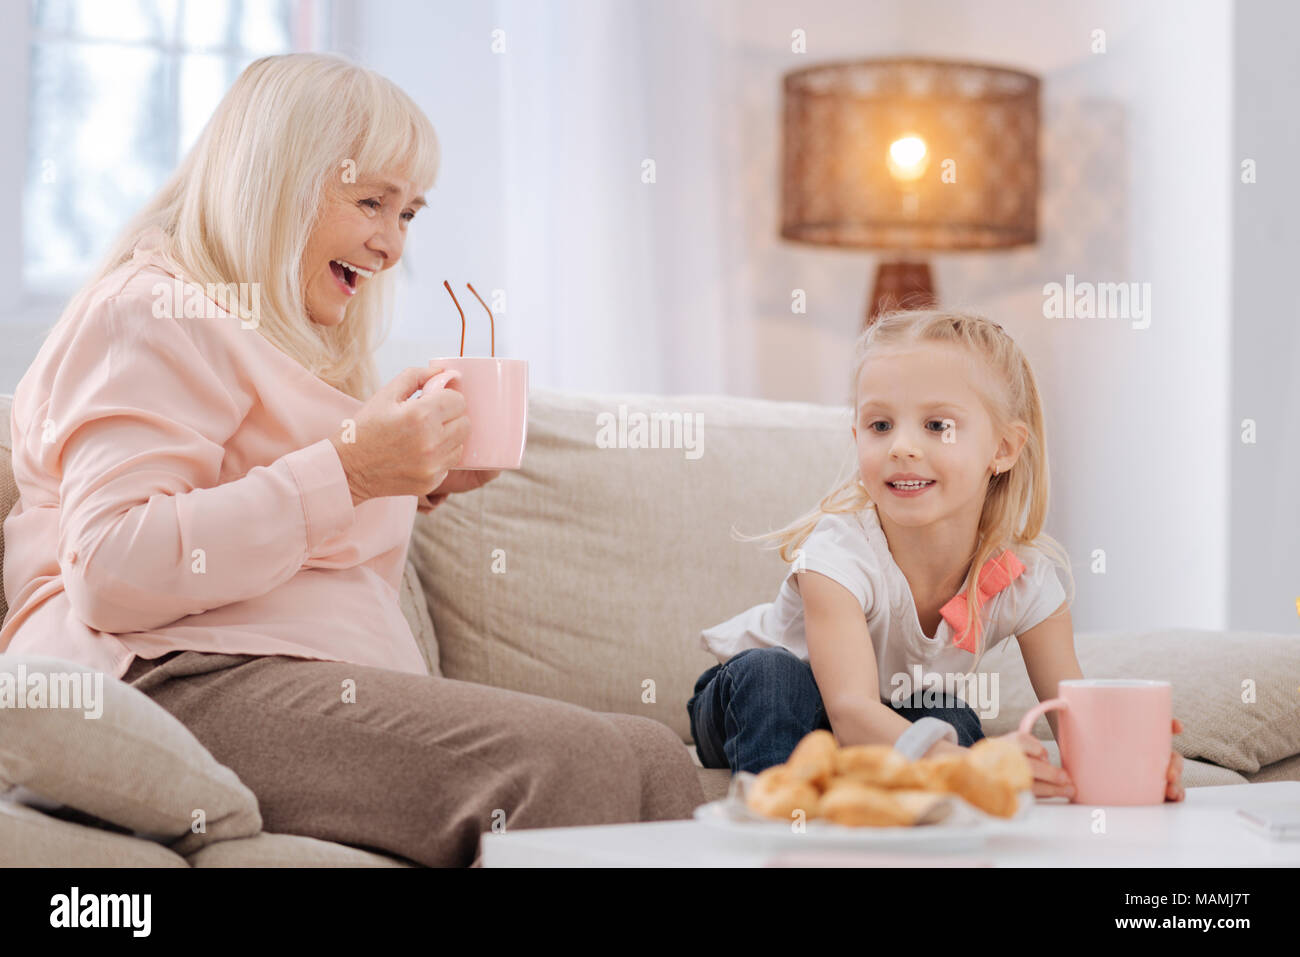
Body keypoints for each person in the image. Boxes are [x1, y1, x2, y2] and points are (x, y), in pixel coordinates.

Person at [0, 52, 704, 867]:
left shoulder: (285, 339)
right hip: (168, 680)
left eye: (409, 214)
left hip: (274, 678)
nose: (392, 244)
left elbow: (275, 499)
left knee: (650, 753)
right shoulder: (152, 311)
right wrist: (355, 470)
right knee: (576, 762)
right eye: (371, 201)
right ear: (272, 183)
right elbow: (112, 566)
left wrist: (410, 478)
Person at [687, 309, 1186, 802]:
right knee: (775, 677)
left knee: (948, 717)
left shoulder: (1025, 578)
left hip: (883, 715)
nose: (902, 446)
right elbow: (850, 710)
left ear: (1004, 449)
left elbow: (1071, 710)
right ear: (857, 436)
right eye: (881, 425)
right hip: (755, 701)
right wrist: (968, 765)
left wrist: (1132, 761)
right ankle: (780, 826)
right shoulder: (839, 554)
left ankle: (917, 831)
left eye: (937, 425)